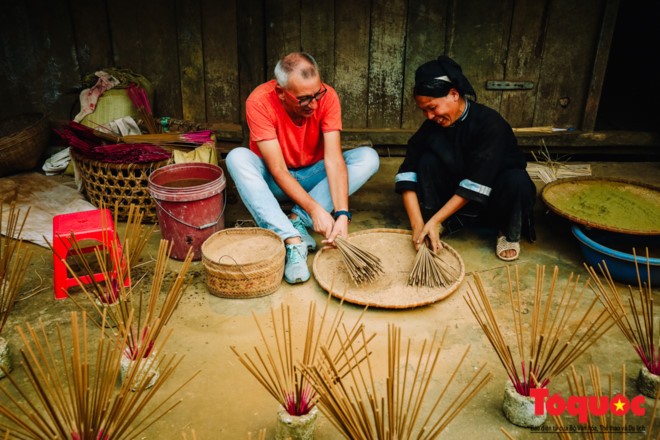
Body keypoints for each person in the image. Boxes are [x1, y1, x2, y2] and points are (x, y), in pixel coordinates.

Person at [226, 52, 380, 284]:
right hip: (274, 181)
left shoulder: (327, 98)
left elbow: (334, 160)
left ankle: (297, 218)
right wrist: (317, 210)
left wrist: (342, 214)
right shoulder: (259, 101)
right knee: (237, 157)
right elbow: (277, 169)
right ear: (281, 92)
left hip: (312, 176)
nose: (314, 104)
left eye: (317, 94)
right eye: (304, 99)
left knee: (367, 157)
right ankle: (291, 239)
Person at [394, 55, 536, 261]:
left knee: (518, 181)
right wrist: (418, 225)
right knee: (427, 162)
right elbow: (407, 173)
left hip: (494, 198)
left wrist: (432, 222)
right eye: (423, 111)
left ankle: (507, 231)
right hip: (458, 196)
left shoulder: (491, 124)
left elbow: (478, 180)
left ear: (453, 94)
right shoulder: (431, 127)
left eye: (432, 108)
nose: (429, 117)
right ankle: (441, 221)